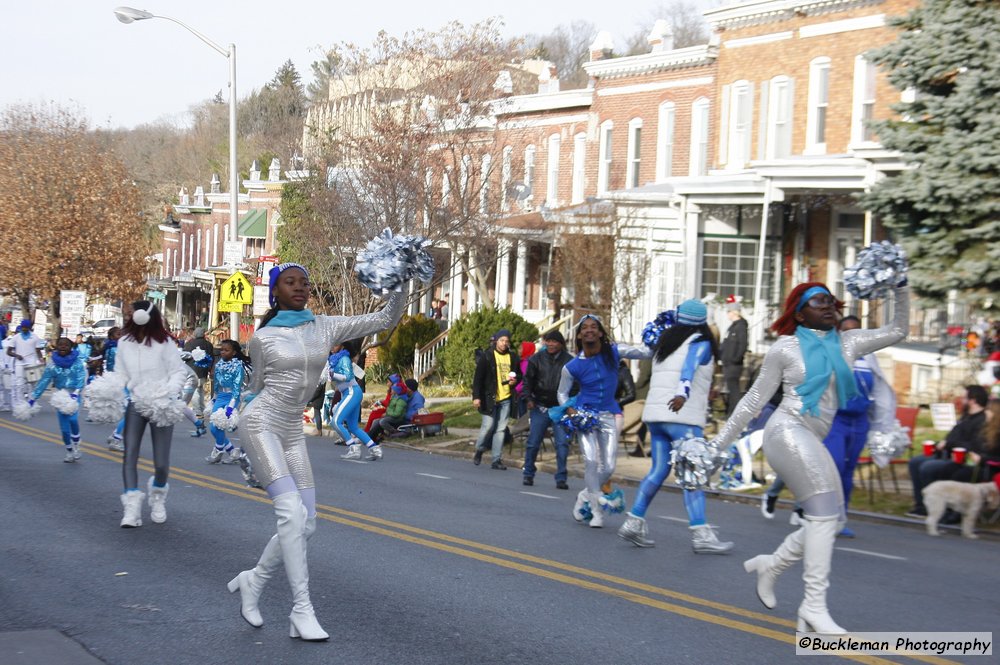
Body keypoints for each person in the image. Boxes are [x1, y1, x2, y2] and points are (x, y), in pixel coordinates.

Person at [710, 279, 907, 634]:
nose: (829, 305)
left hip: (813, 437)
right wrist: (717, 446)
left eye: (831, 301)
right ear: (800, 314)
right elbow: (753, 402)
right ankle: (813, 606)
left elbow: (899, 329)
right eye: (819, 302)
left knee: (829, 521)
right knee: (822, 515)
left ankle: (772, 565)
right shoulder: (784, 349)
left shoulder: (849, 343)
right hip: (786, 430)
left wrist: (901, 288)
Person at [226, 262, 407, 641]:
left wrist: (400, 275)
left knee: (305, 522)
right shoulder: (263, 338)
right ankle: (301, 610)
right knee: (290, 512)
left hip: (292, 428)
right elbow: (256, 387)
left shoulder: (326, 325)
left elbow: (387, 315)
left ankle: (254, 581)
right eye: (290, 282)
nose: (300, 288)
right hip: (261, 423)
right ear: (275, 291)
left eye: (305, 283)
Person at [618, 301, 735, 553]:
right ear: (703, 323)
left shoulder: (664, 343)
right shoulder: (700, 343)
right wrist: (682, 392)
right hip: (682, 417)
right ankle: (701, 533)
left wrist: (614, 349)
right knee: (692, 476)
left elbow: (638, 352)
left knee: (659, 470)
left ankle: (634, 521)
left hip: (656, 418)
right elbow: (689, 366)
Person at [557, 314, 645, 528]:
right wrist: (571, 411)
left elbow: (644, 352)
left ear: (600, 332)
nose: (589, 330)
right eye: (584, 327)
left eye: (593, 327)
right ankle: (597, 513)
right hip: (586, 417)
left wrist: (664, 337)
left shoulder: (613, 353)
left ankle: (585, 496)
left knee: (609, 466)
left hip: (609, 414)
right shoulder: (572, 366)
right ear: (579, 334)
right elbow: (562, 393)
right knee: (591, 462)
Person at [116, 301, 189, 529]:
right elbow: (120, 374)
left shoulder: (164, 342)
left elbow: (179, 372)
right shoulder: (123, 343)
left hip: (161, 404)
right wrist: (110, 391)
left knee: (161, 463)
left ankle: (157, 495)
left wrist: (168, 393)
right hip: (136, 403)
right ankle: (131, 509)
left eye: (133, 312)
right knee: (130, 455)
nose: (130, 316)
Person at [906, 385, 989, 517]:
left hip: (961, 459)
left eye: (964, 397)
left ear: (972, 400)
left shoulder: (981, 420)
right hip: (945, 452)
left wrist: (949, 443)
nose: (961, 400)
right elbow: (953, 436)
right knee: (915, 462)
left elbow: (974, 446)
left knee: (928, 467)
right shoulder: (965, 417)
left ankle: (936, 506)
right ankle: (921, 505)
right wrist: (940, 444)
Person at [521, 331, 573, 489]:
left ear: (560, 344)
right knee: (533, 442)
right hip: (540, 407)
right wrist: (529, 399)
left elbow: (576, 384)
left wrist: (570, 405)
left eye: (554, 342)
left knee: (562, 444)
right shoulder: (536, 359)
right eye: (547, 341)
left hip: (561, 409)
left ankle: (561, 477)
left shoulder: (570, 361)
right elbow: (527, 381)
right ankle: (528, 473)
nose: (550, 344)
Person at [29, 337, 87, 462]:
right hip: (60, 397)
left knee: (73, 420)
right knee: (64, 429)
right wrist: (34, 397)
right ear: (56, 347)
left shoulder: (77, 362)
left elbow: (81, 377)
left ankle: (76, 445)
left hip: (73, 395)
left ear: (71, 347)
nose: (63, 347)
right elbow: (44, 381)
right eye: (60, 345)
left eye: (66, 345)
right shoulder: (52, 364)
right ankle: (69, 450)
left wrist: (76, 392)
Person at [471, 329, 521, 470]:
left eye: (506, 341)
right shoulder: (487, 356)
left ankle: (496, 459)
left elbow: (519, 375)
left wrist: (515, 381)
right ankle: (480, 449)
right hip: (489, 398)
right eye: (501, 340)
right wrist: (476, 397)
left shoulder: (513, 357)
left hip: (506, 398)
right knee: (488, 426)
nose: (504, 343)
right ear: (496, 341)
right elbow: (478, 379)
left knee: (500, 429)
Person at [330, 339, 383, 461]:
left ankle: (353, 448)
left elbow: (347, 376)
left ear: (342, 346)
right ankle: (375, 449)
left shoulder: (344, 359)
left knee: (335, 421)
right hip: (349, 392)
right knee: (353, 427)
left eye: (335, 344)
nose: (332, 347)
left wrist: (333, 375)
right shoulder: (336, 358)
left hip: (351, 391)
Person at [205, 340, 250, 465]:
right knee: (214, 427)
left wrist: (230, 408)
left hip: (232, 397)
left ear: (234, 352)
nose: (223, 352)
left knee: (219, 425)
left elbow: (237, 389)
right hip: (220, 397)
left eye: (226, 350)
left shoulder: (238, 366)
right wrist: (213, 399)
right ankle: (231, 452)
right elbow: (217, 384)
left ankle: (218, 449)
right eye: (222, 350)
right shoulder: (219, 365)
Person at [720, 300, 748, 417]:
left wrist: (735, 359)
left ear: (735, 312)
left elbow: (743, 345)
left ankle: (734, 413)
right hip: (727, 362)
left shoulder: (741, 327)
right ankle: (729, 411)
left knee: (734, 389)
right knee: (730, 389)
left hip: (734, 364)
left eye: (729, 311)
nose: (728, 314)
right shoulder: (732, 327)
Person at [7, 319, 44, 406]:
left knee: (32, 384)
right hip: (19, 364)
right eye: (23, 327)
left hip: (31, 364)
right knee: (19, 384)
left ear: (29, 328)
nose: (24, 329)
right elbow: (8, 352)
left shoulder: (35, 337)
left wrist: (41, 360)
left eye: (26, 327)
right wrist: (16, 355)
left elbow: (38, 351)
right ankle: (20, 404)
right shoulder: (16, 337)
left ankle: (31, 402)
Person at [183, 327, 214, 425]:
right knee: (200, 390)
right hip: (203, 371)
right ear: (204, 334)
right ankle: (201, 408)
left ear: (195, 335)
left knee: (196, 391)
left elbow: (184, 355)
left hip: (192, 371)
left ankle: (198, 411)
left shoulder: (189, 344)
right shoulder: (208, 344)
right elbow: (211, 358)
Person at [515, 341, 536, 418]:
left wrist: (516, 390)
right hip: (523, 393)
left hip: (523, 394)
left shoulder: (527, 363)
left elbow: (525, 379)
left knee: (523, 417)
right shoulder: (524, 361)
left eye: (521, 348)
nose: (519, 350)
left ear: (527, 350)